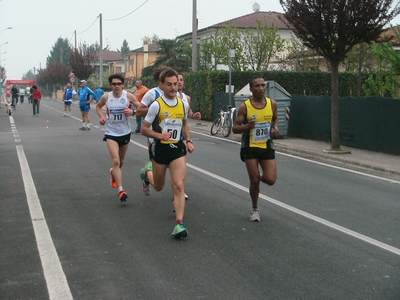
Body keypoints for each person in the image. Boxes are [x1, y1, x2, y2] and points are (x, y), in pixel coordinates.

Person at [140, 68, 195, 238]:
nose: (173, 88)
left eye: (176, 84)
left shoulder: (183, 104)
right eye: (169, 84)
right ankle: (146, 173)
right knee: (158, 186)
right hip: (160, 149)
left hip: (177, 149)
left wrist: (188, 140)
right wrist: (159, 135)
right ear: (161, 85)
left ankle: (179, 224)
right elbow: (144, 129)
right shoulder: (156, 105)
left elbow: (184, 123)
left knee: (178, 185)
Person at [232, 76, 279, 222]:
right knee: (254, 181)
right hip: (250, 146)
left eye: (262, 85)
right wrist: (247, 127)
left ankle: (256, 174)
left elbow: (275, 118)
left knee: (270, 179)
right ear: (251, 89)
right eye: (257, 86)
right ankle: (254, 209)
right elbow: (235, 128)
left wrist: (275, 127)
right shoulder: (245, 107)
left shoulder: (272, 104)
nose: (260, 88)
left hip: (266, 145)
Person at [96, 74, 140, 202]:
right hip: (111, 133)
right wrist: (101, 117)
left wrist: (133, 112)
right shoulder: (106, 97)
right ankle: (121, 190)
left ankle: (114, 173)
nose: (117, 86)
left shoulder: (128, 96)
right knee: (116, 161)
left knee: (121, 161)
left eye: (119, 84)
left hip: (125, 132)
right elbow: (98, 107)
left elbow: (142, 107)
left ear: (123, 85)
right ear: (110, 85)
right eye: (114, 84)